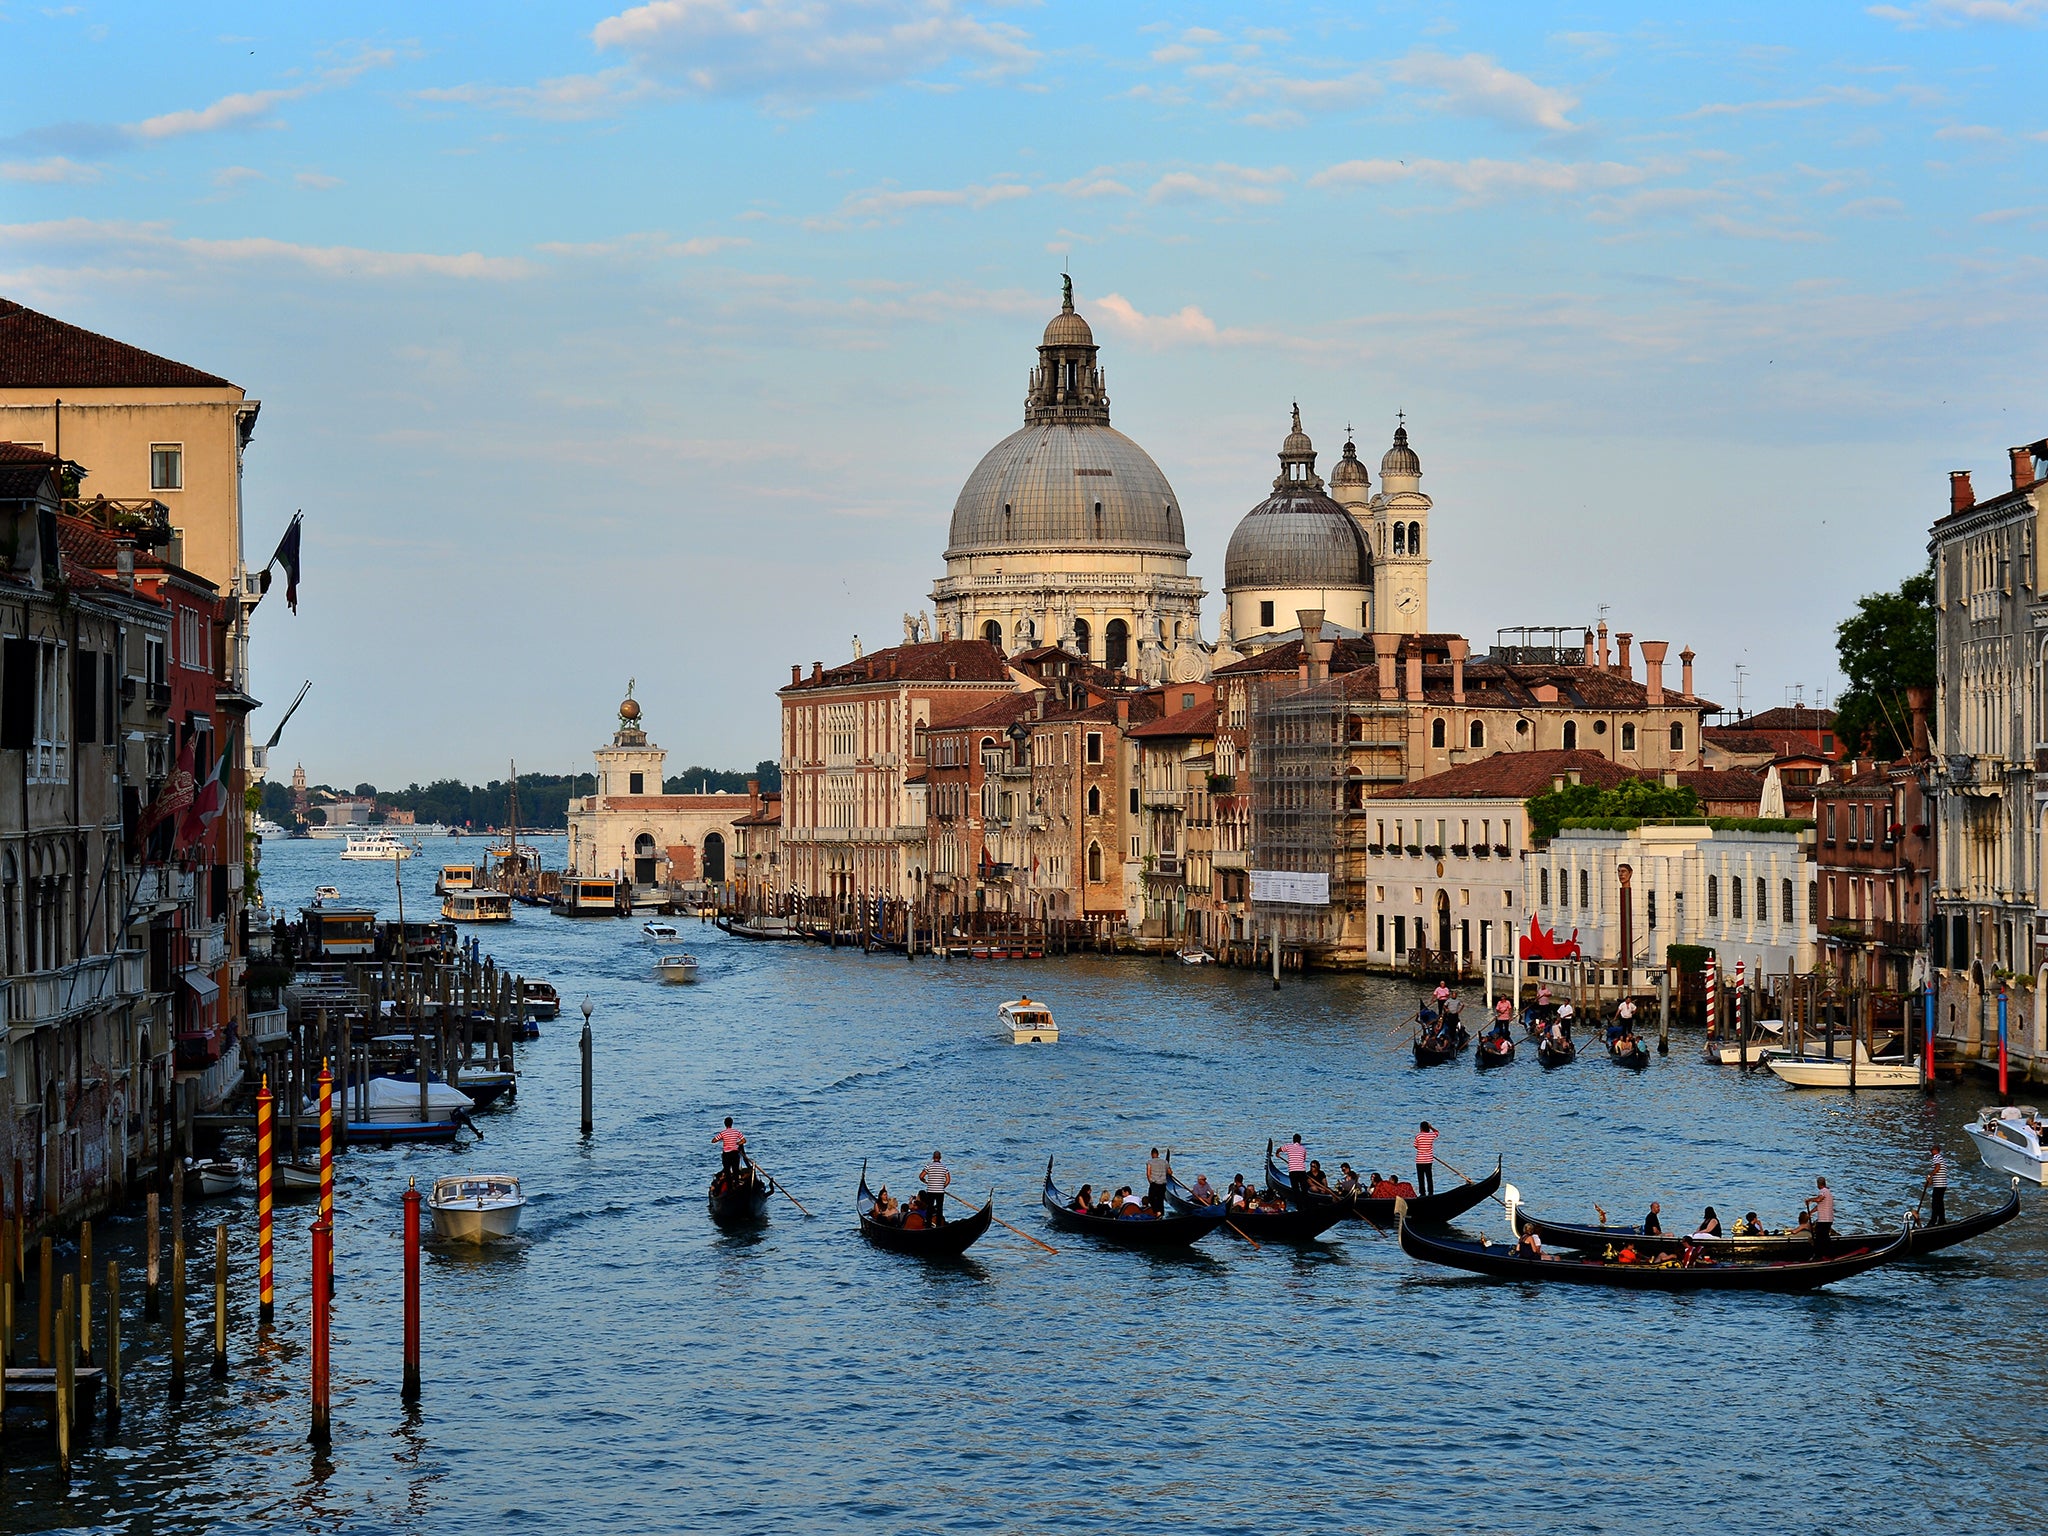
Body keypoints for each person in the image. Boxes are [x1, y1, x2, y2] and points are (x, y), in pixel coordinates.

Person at [918, 1149, 951, 1223]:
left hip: (931, 1190)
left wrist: (925, 1181)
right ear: (940, 1158)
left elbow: (921, 1176)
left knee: (930, 1207)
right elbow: (948, 1180)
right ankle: (939, 1224)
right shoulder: (944, 1167)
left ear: (933, 1157)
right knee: (939, 1208)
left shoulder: (928, 1166)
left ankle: (928, 1224)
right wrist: (943, 1186)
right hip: (940, 1191)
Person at [1802, 1177, 1836, 1243]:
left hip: (1824, 1219)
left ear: (1818, 1184)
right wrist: (1811, 1212)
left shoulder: (1823, 1191)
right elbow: (1819, 1206)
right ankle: (1825, 1250)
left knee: (1821, 1236)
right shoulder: (1828, 1192)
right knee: (1823, 1236)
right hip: (1828, 1219)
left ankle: (1824, 1250)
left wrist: (1809, 1200)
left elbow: (1818, 1199)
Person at [1414, 1121, 1439, 1197]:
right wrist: (1431, 1127)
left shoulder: (1418, 1136)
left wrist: (1422, 1148)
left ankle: (1422, 1193)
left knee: (1420, 1178)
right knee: (1429, 1177)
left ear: (1421, 1128)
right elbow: (1437, 1132)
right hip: (1428, 1160)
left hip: (1420, 1160)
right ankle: (1430, 1193)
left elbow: (1415, 1146)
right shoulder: (1431, 1135)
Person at [1925, 1144, 1948, 1225]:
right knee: (1939, 1203)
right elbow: (1939, 1172)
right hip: (1942, 1184)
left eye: (1931, 1150)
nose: (1931, 1152)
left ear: (1935, 1150)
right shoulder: (1942, 1158)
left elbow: (1937, 1167)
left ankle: (1933, 1220)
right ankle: (1942, 1220)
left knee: (1935, 1203)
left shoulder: (1936, 1157)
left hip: (1939, 1185)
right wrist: (1930, 1182)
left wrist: (1930, 1175)